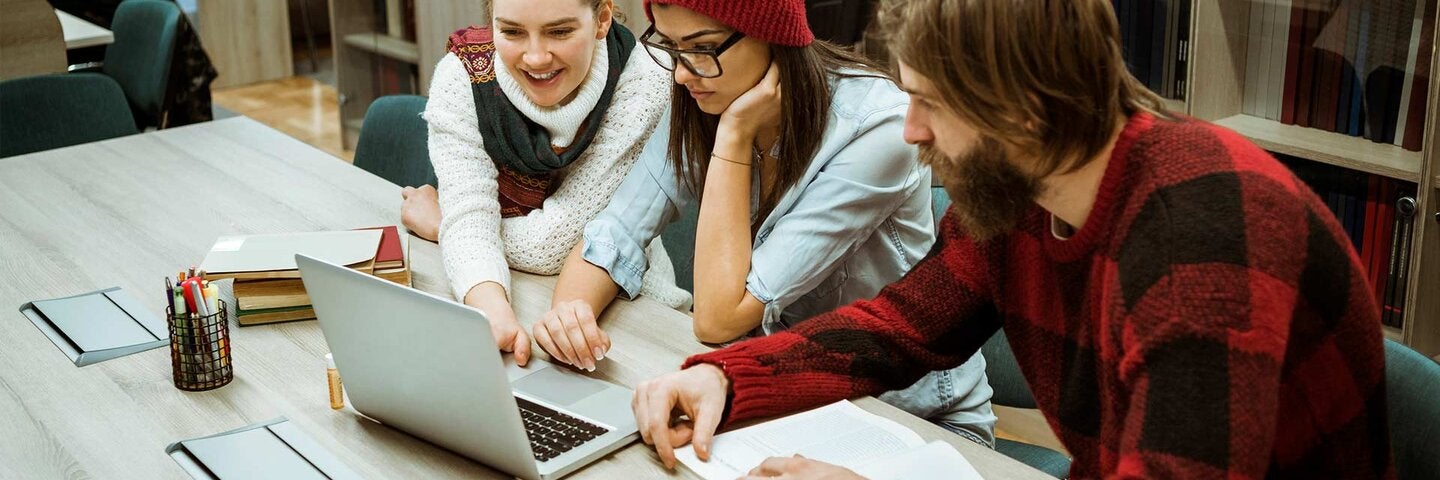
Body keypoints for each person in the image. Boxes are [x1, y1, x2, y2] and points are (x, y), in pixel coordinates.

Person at [631, 0, 1395, 478]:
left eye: (930, 101)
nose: (910, 129)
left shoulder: (1205, 238)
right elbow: (903, 326)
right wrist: (728, 379)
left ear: (1022, 110)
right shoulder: (1021, 185)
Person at [531, 0, 998, 446]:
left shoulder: (879, 127)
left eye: (702, 47)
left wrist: (734, 137)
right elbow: (617, 232)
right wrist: (570, 315)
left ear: (772, 38)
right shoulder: (701, 89)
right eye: (671, 48)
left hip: (912, 416)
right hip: (780, 391)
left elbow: (720, 318)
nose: (681, 71)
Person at [405, 0, 692, 367]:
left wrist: (445, 224)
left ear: (602, 19)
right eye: (511, 31)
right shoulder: (462, 75)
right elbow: (472, 220)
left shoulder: (645, 78)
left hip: (634, 312)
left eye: (559, 31)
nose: (536, 57)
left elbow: (553, 246)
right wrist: (491, 309)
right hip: (522, 300)